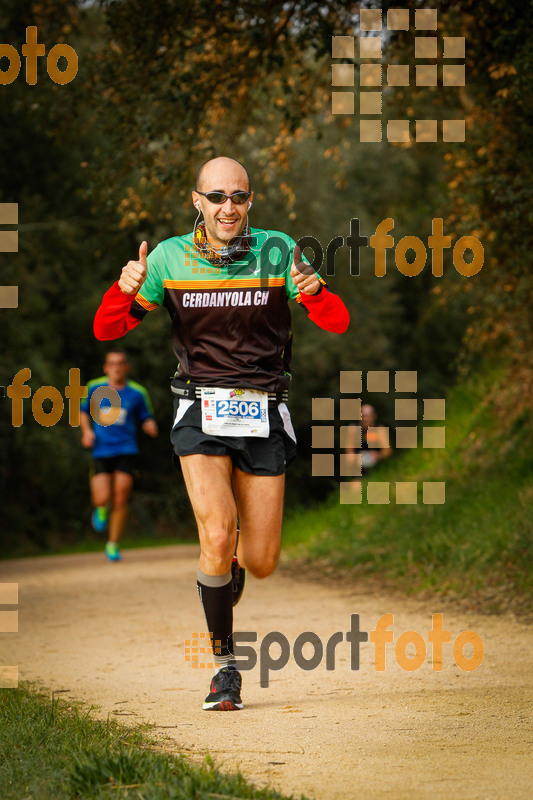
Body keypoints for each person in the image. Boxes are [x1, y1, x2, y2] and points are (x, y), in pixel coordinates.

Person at [93, 156, 349, 709]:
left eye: (238, 196)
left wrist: (315, 290)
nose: (227, 207)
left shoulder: (278, 250)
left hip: (264, 409)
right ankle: (225, 669)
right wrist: (124, 287)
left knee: (260, 561)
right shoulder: (167, 259)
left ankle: (232, 567)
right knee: (215, 532)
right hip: (199, 407)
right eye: (216, 197)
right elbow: (106, 328)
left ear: (250, 201)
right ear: (197, 201)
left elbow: (337, 321)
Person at [80, 347, 158, 561]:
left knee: (121, 498)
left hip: (127, 449)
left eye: (120, 363)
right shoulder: (94, 387)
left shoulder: (137, 392)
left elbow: (146, 416)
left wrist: (149, 425)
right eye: (112, 363)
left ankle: (112, 544)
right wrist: (86, 432)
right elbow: (82, 412)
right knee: (102, 497)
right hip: (102, 450)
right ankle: (101, 508)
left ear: (126, 367)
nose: (116, 367)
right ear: (106, 367)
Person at [345, 403, 392, 488]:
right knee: (356, 488)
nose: (365, 419)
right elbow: (349, 449)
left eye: (367, 416)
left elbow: (387, 450)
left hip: (377, 465)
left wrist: (378, 455)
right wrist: (351, 456)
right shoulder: (353, 429)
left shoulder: (380, 430)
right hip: (358, 466)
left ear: (374, 416)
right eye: (362, 416)